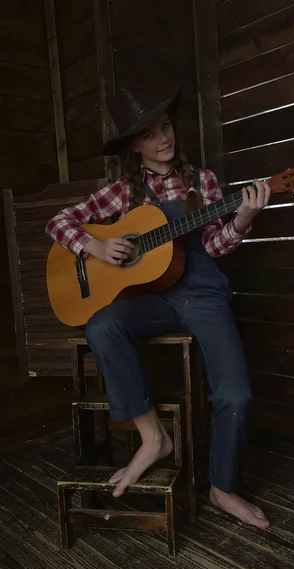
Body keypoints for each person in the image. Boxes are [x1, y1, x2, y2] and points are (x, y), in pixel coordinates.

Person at [46, 84, 271, 529]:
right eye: (150, 134)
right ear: (134, 144)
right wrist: (95, 244)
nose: (163, 139)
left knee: (236, 394)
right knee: (102, 325)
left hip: (202, 293)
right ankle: (153, 439)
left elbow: (215, 244)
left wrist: (242, 219)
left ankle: (222, 487)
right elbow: (58, 222)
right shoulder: (121, 193)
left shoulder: (201, 181)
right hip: (153, 297)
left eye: (166, 127)